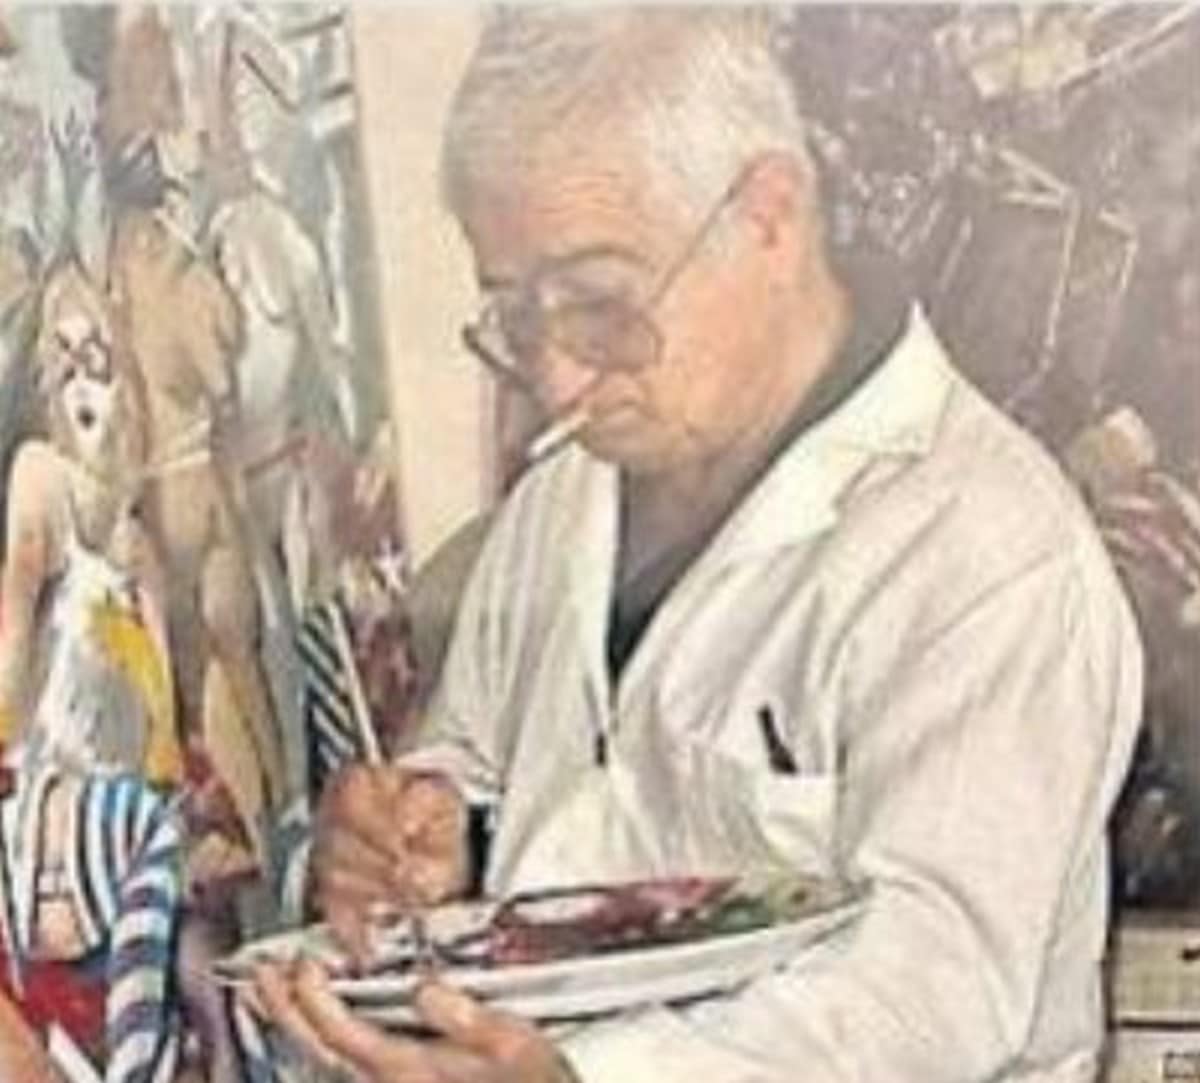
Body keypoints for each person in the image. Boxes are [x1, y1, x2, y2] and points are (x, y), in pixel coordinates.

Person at [254, 10, 1143, 1083]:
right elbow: (491, 765)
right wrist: (432, 832)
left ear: (768, 215)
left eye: (600, 304)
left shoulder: (983, 551)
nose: (559, 381)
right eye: (518, 318)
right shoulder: (565, 498)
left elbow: (928, 993)